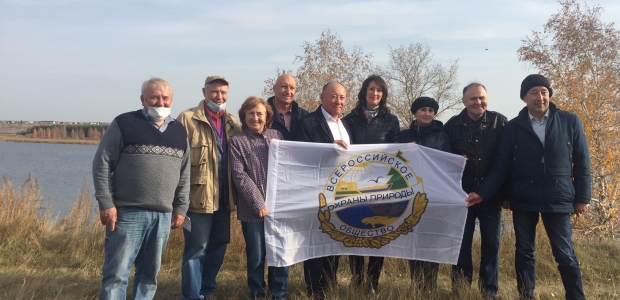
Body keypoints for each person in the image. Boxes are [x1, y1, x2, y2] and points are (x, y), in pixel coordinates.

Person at [467, 74, 590, 300]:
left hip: (558, 197)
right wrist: (484, 193)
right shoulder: (513, 127)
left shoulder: (569, 121)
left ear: (549, 95)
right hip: (523, 198)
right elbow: (502, 166)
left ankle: (576, 296)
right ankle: (526, 295)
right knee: (524, 252)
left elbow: (582, 161)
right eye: (534, 92)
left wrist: (583, 197)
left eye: (544, 92)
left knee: (564, 253)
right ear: (524, 97)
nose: (540, 97)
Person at [93, 77, 190, 300]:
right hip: (127, 213)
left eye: (165, 98)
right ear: (143, 99)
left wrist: (181, 208)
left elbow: (185, 173)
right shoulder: (124, 123)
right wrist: (106, 204)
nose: (160, 102)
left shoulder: (179, 131)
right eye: (154, 97)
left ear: (171, 100)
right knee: (116, 275)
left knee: (149, 277)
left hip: (163, 216)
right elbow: (102, 163)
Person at [177, 76, 242, 300]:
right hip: (197, 199)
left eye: (223, 93)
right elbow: (177, 163)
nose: (219, 97)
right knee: (196, 250)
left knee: (219, 245)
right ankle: (192, 296)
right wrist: (179, 201)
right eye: (214, 92)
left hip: (224, 199)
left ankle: (207, 290)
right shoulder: (187, 119)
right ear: (204, 92)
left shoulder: (233, 123)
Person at [443, 83, 507, 298]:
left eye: (481, 98)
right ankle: (460, 290)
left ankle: (488, 291)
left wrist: (486, 192)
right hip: (462, 198)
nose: (478, 102)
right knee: (461, 246)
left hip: (491, 196)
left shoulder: (501, 123)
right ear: (464, 101)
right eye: (473, 99)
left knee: (491, 245)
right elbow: (443, 161)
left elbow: (504, 163)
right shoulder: (451, 126)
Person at [294, 82, 352, 299]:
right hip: (315, 192)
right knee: (316, 241)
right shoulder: (308, 123)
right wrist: (328, 147)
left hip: (341, 193)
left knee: (335, 238)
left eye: (343, 97)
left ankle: (330, 284)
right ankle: (314, 288)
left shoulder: (345, 124)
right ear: (322, 97)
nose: (339, 101)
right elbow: (300, 156)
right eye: (334, 96)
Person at [342, 75, 399, 294]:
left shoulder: (391, 120)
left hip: (380, 185)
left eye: (379, 90)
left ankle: (373, 282)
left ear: (383, 95)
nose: (375, 93)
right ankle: (357, 280)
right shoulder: (349, 119)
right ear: (364, 91)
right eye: (371, 89)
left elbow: (396, 151)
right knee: (355, 230)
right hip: (354, 183)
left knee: (378, 234)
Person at [230, 96, 288, 300]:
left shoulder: (277, 136)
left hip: (279, 207)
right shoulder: (237, 141)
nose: (255, 117)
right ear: (244, 116)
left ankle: (279, 292)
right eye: (251, 113)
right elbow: (239, 175)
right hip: (252, 209)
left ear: (267, 116)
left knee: (279, 251)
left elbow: (287, 167)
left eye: (259, 113)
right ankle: (257, 292)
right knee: (256, 254)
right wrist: (258, 202)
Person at [399, 96, 450, 293]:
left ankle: (430, 285)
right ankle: (416, 284)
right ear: (415, 113)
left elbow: (447, 162)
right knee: (414, 239)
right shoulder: (404, 136)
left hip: (434, 195)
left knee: (431, 240)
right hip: (411, 195)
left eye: (430, 110)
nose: (427, 114)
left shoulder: (442, 136)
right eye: (423, 110)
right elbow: (395, 159)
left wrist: (457, 161)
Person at [267, 74, 309, 140]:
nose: (288, 92)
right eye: (284, 87)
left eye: (292, 88)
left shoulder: (304, 116)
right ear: (274, 88)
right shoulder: (263, 115)